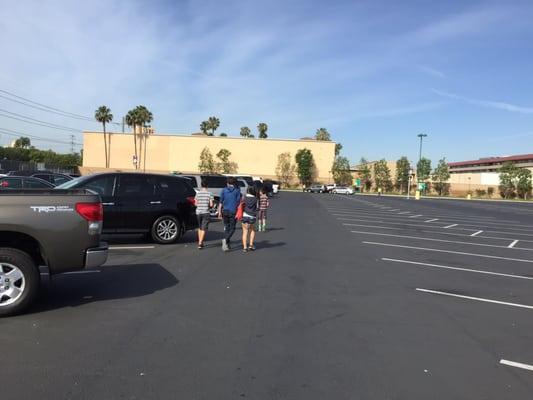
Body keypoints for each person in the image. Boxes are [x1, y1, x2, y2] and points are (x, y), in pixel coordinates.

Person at [218, 177, 242, 251]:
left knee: (226, 227)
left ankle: (227, 244)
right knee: (232, 228)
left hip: (225, 211)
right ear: (234, 183)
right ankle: (225, 240)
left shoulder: (224, 190)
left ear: (228, 183)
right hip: (233, 211)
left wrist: (219, 212)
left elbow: (221, 202)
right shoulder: (237, 191)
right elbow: (238, 202)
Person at [195, 179, 214, 249]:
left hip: (198, 212)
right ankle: (200, 243)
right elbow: (211, 204)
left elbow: (195, 203)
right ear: (207, 186)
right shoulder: (209, 193)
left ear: (201, 185)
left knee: (200, 227)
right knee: (204, 228)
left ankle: (200, 242)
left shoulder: (198, 193)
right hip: (206, 212)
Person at [241, 186, 258, 252]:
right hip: (252, 216)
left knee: (245, 232)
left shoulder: (244, 197)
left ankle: (245, 247)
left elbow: (241, 205)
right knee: (252, 230)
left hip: (245, 215)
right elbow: (257, 207)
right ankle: (251, 245)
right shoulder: (256, 198)